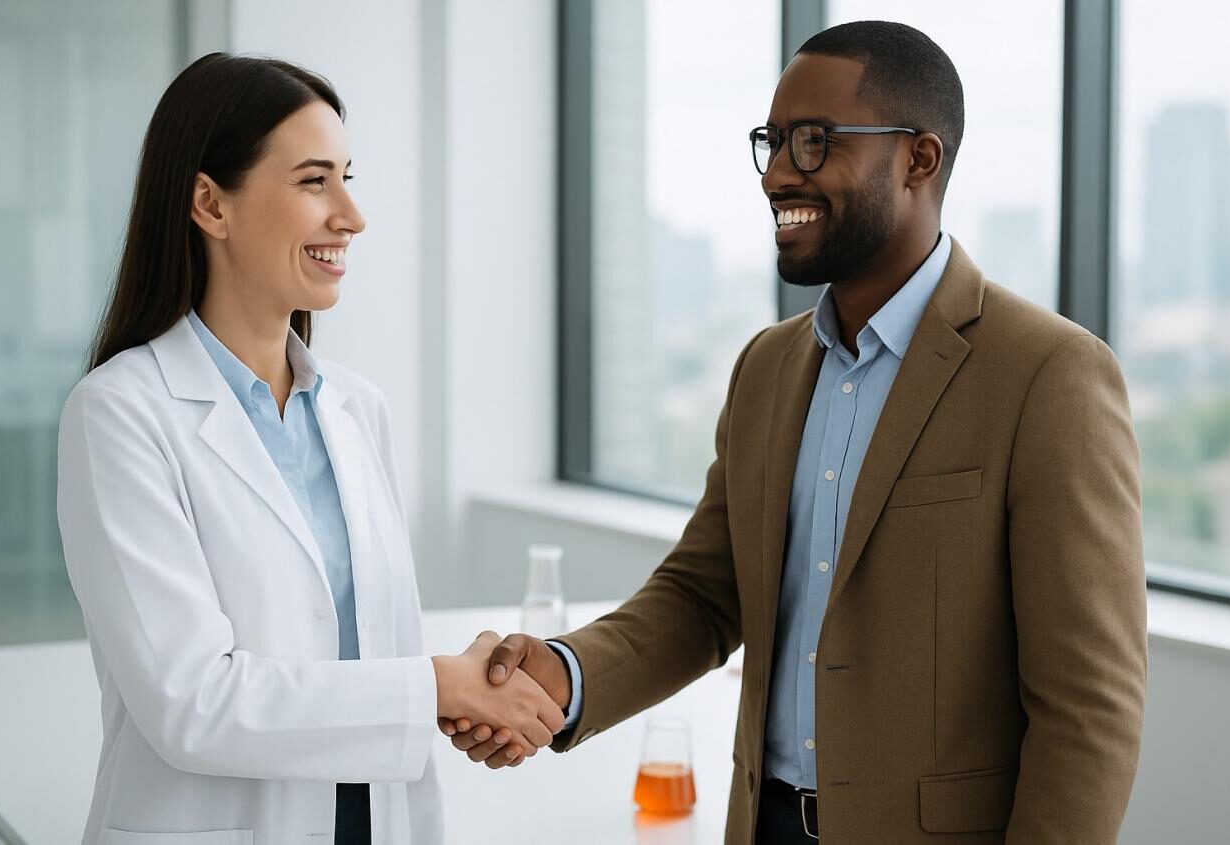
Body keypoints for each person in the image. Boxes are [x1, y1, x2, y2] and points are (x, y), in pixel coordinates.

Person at [444, 21, 1147, 844]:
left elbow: (1089, 704)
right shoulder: (767, 368)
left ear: (918, 159)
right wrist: (563, 675)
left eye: (814, 142)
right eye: (772, 142)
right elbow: (705, 594)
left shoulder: (1047, 374)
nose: (779, 172)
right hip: (763, 823)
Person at [56, 53, 563, 845]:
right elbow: (192, 702)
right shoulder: (120, 413)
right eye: (312, 180)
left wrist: (464, 693)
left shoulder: (359, 409)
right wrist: (434, 686)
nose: (351, 215)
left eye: (347, 178)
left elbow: (365, 656)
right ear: (209, 204)